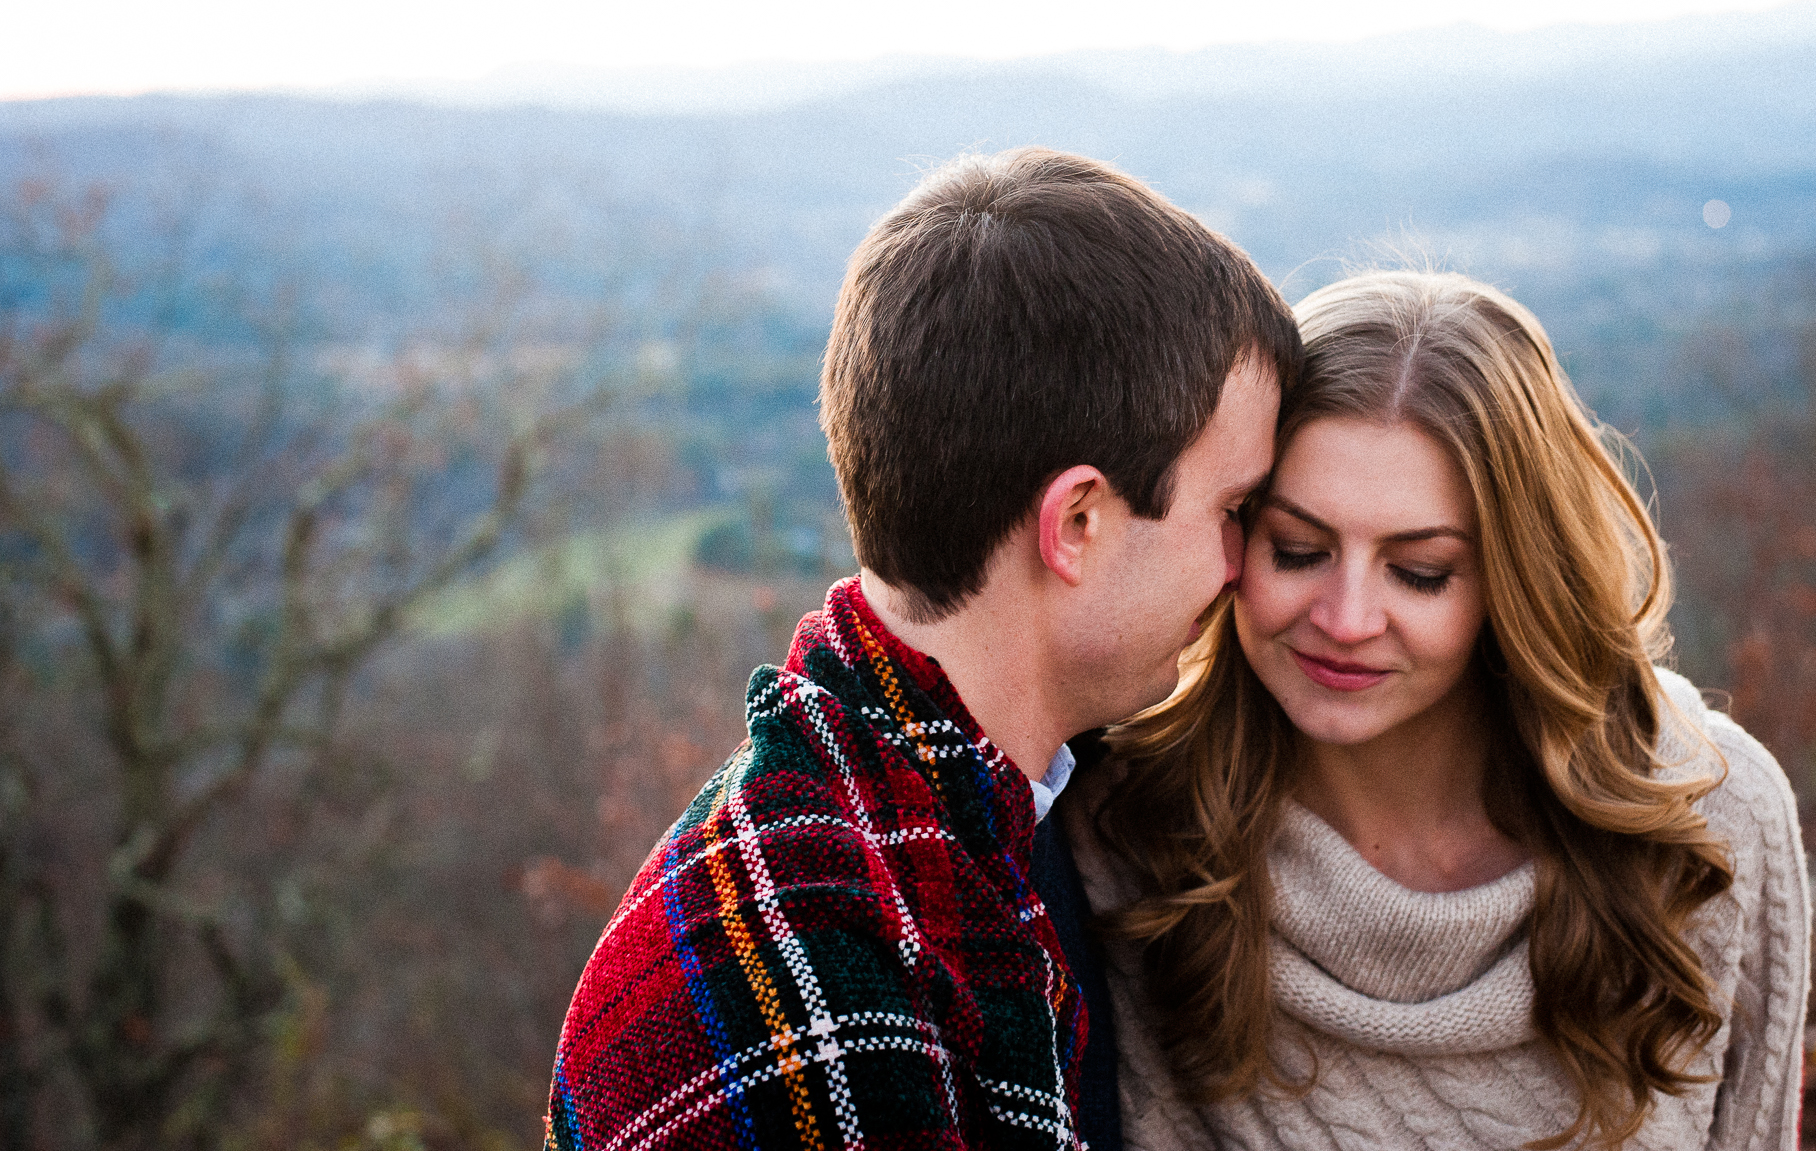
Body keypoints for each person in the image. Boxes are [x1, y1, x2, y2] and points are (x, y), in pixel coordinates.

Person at [543, 148, 1301, 1151]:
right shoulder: (815, 995)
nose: (1244, 565)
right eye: (1232, 509)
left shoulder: (964, 831)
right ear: (1077, 522)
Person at [1070, 271, 1810, 1150]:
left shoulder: (1712, 819)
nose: (1345, 621)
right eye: (1297, 550)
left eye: (1420, 571)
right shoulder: (1126, 820)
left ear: (1519, 580)